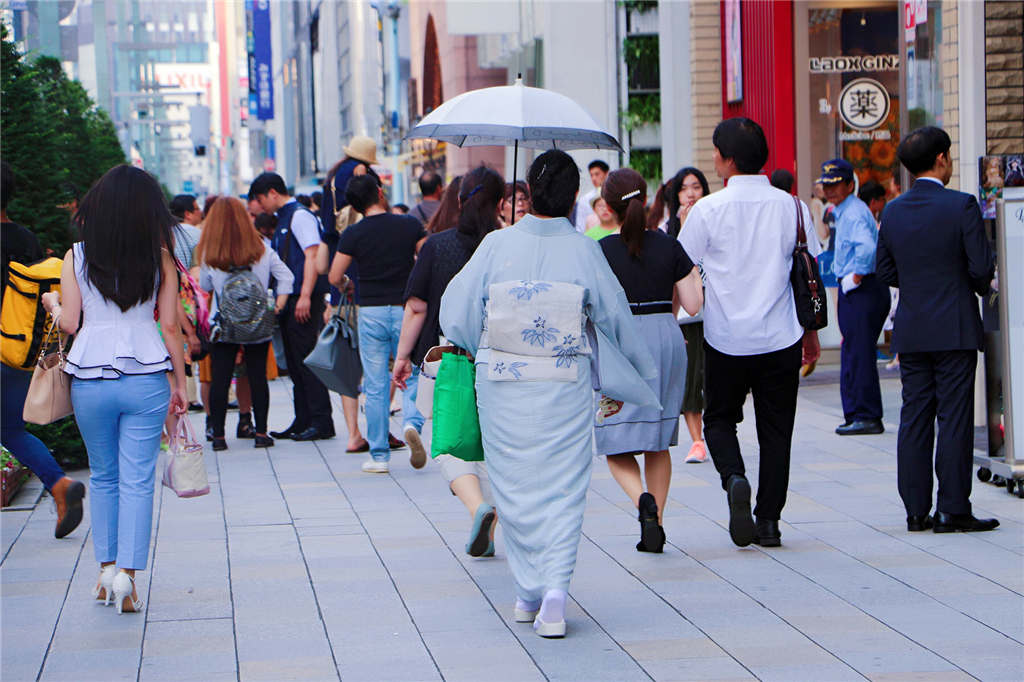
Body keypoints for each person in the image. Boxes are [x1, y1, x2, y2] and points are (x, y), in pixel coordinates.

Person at [439, 150, 656, 638]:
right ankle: (552, 594)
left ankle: (527, 590)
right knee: (562, 483)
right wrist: (637, 369)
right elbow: (615, 317)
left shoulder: (495, 245)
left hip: (503, 380)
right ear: (574, 196)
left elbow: (454, 310)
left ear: (529, 194)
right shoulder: (584, 249)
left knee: (513, 481)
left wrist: (488, 342)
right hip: (564, 378)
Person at [40, 165, 187, 614]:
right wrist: (180, 383)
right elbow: (170, 326)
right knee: (139, 481)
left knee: (103, 476)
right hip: (146, 375)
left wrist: (51, 303)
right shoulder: (161, 257)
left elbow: (68, 323)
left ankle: (106, 573)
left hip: (90, 376)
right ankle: (129, 578)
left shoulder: (76, 256)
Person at [679, 118, 822, 549]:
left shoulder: (707, 210)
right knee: (777, 431)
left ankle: (735, 478)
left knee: (720, 419)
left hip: (726, 339)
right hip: (781, 337)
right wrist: (811, 337)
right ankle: (769, 522)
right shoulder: (793, 207)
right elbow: (811, 266)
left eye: (715, 152)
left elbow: (681, 266)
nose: (712, 159)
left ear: (728, 159)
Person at [876, 126, 999, 534]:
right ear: (942, 159)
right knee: (954, 417)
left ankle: (915, 511)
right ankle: (952, 509)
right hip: (955, 327)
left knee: (915, 417)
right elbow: (982, 270)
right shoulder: (961, 205)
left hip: (912, 328)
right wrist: (971, 285)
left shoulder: (892, 211)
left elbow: (885, 270)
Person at [393, 165, 505, 555]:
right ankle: (488, 535)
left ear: (458, 201)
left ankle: (479, 508)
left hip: (453, 359)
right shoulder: (506, 246)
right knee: (491, 444)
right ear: (501, 203)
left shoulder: (437, 246)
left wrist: (402, 357)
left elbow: (417, 308)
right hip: (504, 359)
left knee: (449, 445)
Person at [595, 168, 703, 554]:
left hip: (620, 342)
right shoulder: (669, 245)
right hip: (665, 336)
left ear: (608, 207)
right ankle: (656, 524)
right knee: (658, 440)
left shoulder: (600, 250)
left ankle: (642, 499)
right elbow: (694, 304)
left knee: (614, 439)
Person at [0, 159, 86, 539]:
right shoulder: (25, 239)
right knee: (9, 427)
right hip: (16, 351)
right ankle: (59, 485)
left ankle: (58, 484)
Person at [329, 175, 427, 472]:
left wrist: (347, 284)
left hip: (370, 311)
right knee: (413, 373)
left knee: (375, 384)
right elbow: (426, 259)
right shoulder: (409, 224)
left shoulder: (353, 234)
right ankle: (411, 422)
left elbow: (334, 276)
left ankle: (379, 456)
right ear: (380, 193)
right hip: (405, 309)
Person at [196, 197, 293, 451]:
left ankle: (218, 437)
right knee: (258, 376)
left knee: (221, 378)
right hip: (258, 324)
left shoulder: (210, 253)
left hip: (224, 325)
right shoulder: (262, 248)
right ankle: (261, 433)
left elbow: (204, 287)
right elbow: (287, 278)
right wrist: (277, 309)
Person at [249, 172, 334, 442]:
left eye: (261, 199)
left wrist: (307, 295)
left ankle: (321, 421)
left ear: (273, 192)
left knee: (307, 359)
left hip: (302, 298)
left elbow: (312, 255)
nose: (261, 206)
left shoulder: (300, 215)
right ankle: (303, 419)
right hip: (291, 298)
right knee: (296, 363)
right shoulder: (284, 217)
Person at [820, 159, 890, 436]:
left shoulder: (854, 212)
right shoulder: (845, 210)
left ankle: (867, 415)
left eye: (836, 184)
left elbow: (867, 248)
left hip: (863, 287)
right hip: (857, 287)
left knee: (859, 353)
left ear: (850, 185)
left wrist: (856, 277)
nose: (829, 190)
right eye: (826, 185)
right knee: (852, 351)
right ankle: (856, 413)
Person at [665, 167, 712, 463]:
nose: (691, 193)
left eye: (697, 187)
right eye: (685, 188)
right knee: (692, 382)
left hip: (718, 315)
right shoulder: (667, 232)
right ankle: (697, 440)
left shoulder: (715, 222)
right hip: (687, 319)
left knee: (714, 379)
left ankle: (714, 431)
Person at [573, 159, 610, 233]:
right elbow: (580, 226)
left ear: (606, 173)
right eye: (591, 175)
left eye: (597, 174)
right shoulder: (585, 199)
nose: (594, 178)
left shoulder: (614, 195)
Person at [168, 194, 203, 269]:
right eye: (198, 208)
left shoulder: (165, 235)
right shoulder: (199, 235)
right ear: (187, 214)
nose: (201, 212)